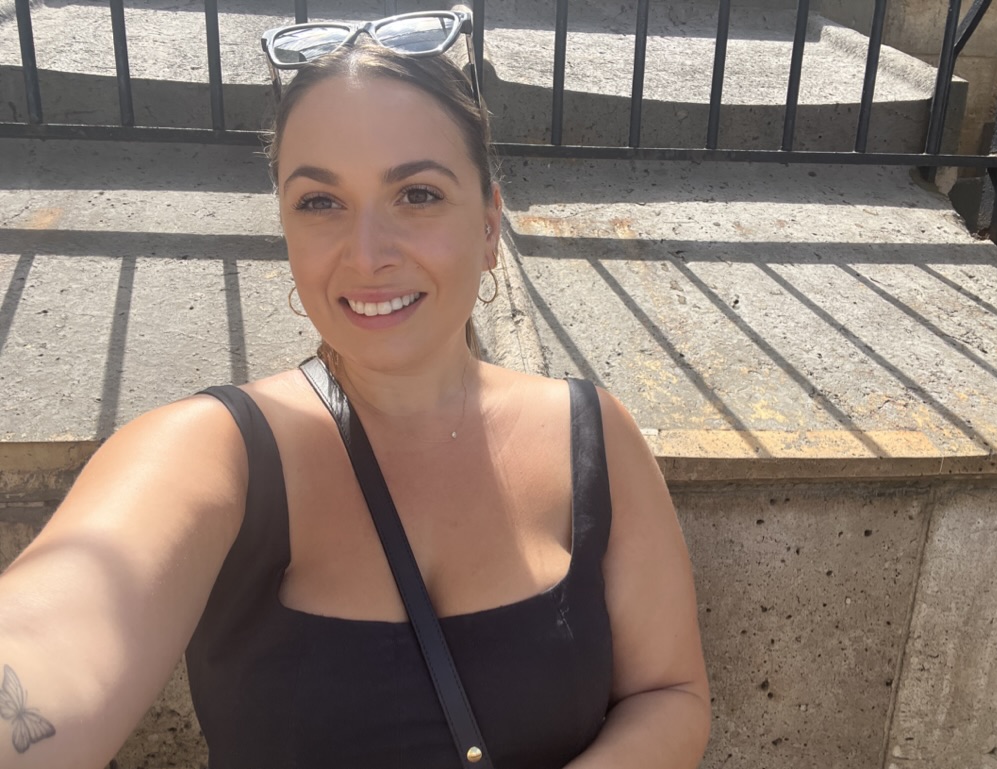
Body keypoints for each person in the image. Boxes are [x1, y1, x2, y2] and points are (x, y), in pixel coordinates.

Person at [0, 9, 710, 769]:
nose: (368, 255)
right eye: (320, 202)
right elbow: (56, 630)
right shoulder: (210, 451)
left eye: (418, 194)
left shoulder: (591, 437)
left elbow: (669, 694)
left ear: (489, 225)